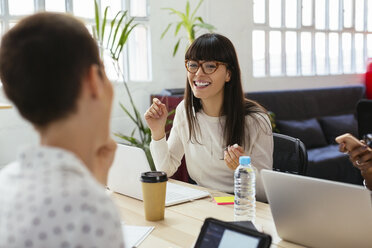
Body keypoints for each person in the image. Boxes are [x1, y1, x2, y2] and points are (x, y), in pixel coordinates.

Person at [0, 13, 124, 247]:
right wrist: (94, 192)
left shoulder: (5, 183)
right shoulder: (90, 210)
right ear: (92, 81)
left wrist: (94, 180)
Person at [145, 33, 273, 202]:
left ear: (229, 74)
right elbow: (165, 169)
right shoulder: (186, 110)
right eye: (192, 65)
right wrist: (157, 131)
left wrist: (243, 169)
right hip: (203, 201)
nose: (198, 73)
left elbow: (266, 194)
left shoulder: (256, 120)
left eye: (210, 66)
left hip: (241, 205)